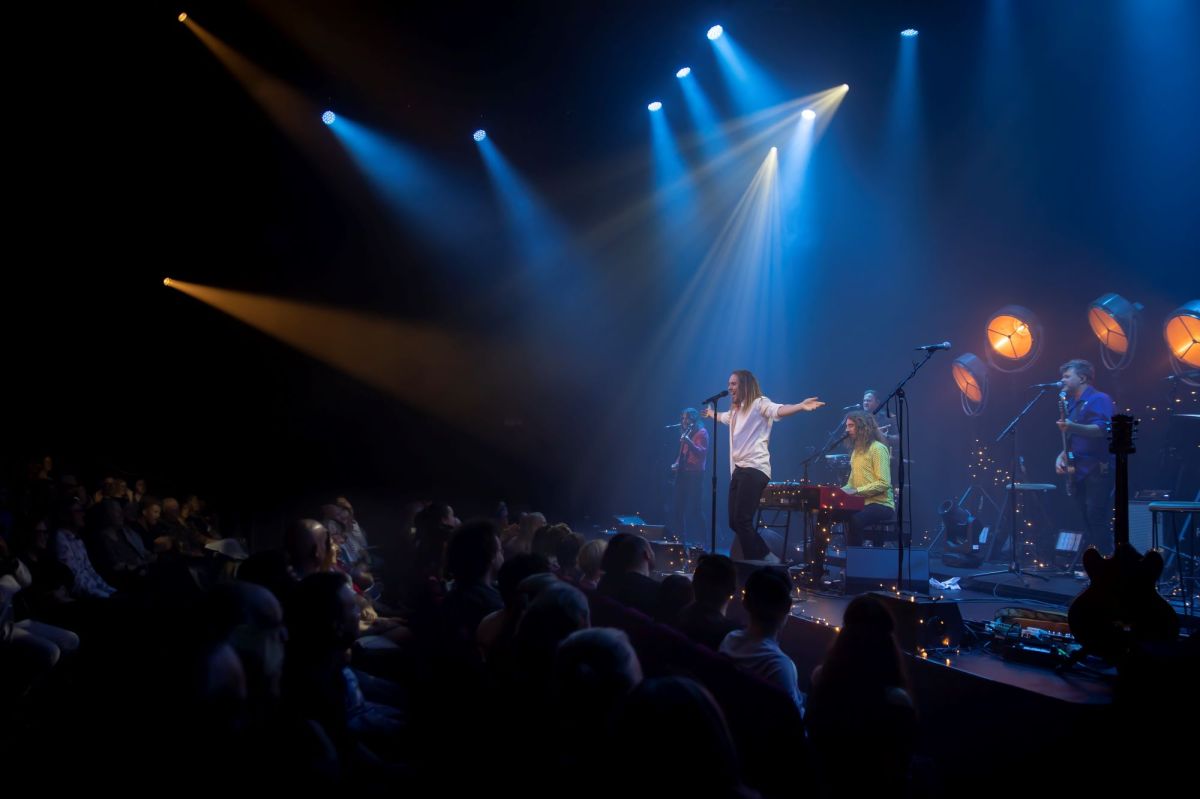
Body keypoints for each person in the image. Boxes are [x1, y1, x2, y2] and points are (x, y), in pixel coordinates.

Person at [703, 370, 824, 562]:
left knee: (742, 520)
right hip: (739, 470)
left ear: (744, 384)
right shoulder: (736, 411)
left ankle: (761, 561)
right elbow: (723, 417)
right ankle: (765, 556)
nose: (729, 388)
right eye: (729, 383)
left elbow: (778, 410)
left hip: (755, 468)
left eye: (733, 384)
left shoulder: (759, 403)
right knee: (734, 522)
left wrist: (800, 406)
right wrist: (711, 413)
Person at [1054, 358, 1115, 553]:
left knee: (1096, 517)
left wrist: (1072, 426)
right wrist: (1061, 455)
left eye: (1066, 376)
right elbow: (1072, 437)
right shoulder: (1072, 403)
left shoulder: (1100, 399)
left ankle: (1108, 564)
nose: (1062, 380)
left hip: (1097, 468)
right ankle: (1094, 564)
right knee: (1085, 518)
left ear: (1082, 377)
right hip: (1078, 469)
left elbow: (1102, 429)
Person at [841, 410, 896, 546]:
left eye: (850, 425)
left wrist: (856, 491)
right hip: (861, 503)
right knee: (827, 515)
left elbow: (883, 483)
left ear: (862, 426)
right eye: (846, 426)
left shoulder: (878, 449)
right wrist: (837, 492)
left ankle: (855, 562)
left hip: (881, 505)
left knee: (855, 519)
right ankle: (817, 564)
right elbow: (851, 484)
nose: (847, 430)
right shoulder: (856, 452)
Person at [670, 407, 708, 546]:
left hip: (695, 475)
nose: (684, 421)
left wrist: (689, 441)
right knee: (677, 508)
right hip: (683, 474)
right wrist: (675, 464)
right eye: (683, 418)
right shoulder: (686, 432)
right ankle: (681, 542)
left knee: (695, 510)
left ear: (693, 419)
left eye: (686, 418)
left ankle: (702, 542)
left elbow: (701, 453)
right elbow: (682, 453)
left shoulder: (702, 433)